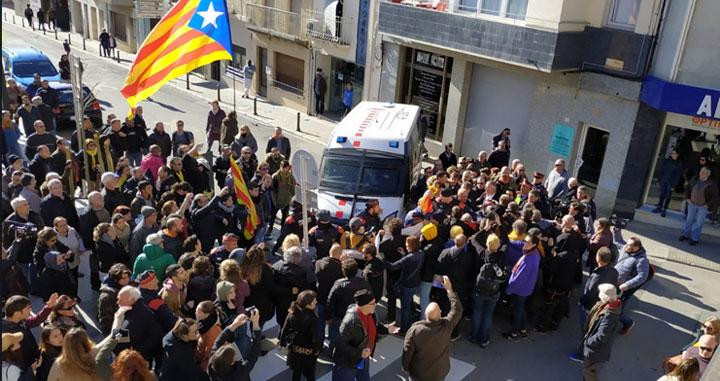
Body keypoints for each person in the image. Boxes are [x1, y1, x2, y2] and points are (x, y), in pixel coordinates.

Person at [402, 276, 462, 381]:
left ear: (426, 315)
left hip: (419, 374)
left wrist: (405, 367)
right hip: (439, 373)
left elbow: (407, 352)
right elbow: (457, 309)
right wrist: (449, 290)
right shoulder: (446, 326)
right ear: (440, 314)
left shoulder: (415, 331)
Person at [2, 293, 59, 369]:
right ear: (18, 313)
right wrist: (29, 371)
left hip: (34, 358)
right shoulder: (5, 334)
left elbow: (35, 320)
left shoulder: (20, 320)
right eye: (28, 308)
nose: (31, 310)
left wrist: (48, 307)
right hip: (27, 368)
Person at [503, 229, 541, 341]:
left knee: (517, 310)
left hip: (520, 289)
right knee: (521, 308)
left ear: (534, 244)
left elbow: (519, 279)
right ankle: (523, 329)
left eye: (528, 242)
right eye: (525, 241)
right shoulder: (535, 252)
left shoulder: (528, 259)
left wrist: (509, 289)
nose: (525, 244)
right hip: (527, 288)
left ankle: (514, 333)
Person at [332, 289, 377, 381]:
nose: (375, 305)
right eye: (372, 303)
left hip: (363, 356)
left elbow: (373, 326)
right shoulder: (350, 321)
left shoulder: (369, 313)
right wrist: (359, 352)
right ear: (364, 305)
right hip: (347, 363)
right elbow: (340, 344)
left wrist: (386, 329)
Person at [580, 283, 622, 380]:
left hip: (595, 350)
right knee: (588, 369)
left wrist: (588, 342)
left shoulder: (610, 316)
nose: (599, 295)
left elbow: (601, 336)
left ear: (606, 296)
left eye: (601, 293)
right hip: (595, 347)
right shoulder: (610, 304)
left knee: (588, 370)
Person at [470, 233, 505, 347]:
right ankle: (484, 340)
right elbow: (507, 240)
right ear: (498, 245)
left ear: (486, 243)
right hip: (494, 291)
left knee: (477, 312)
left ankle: (474, 336)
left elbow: (474, 239)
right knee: (488, 315)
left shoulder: (482, 253)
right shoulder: (502, 255)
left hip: (480, 290)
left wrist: (485, 228)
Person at [384, 235, 424, 335]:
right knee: (409, 306)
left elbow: (393, 266)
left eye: (407, 244)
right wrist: (404, 254)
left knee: (405, 309)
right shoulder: (421, 253)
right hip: (415, 284)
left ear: (412, 245)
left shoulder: (409, 257)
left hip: (406, 286)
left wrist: (382, 260)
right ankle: (409, 324)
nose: (405, 245)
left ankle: (404, 330)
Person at [115, 285, 165, 365]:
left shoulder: (142, 316)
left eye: (121, 300)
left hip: (137, 362)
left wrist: (138, 352)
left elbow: (157, 335)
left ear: (132, 300)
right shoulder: (127, 310)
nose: (118, 302)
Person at [208, 309, 263, 380]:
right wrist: (255, 324)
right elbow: (253, 355)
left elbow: (218, 341)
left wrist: (234, 324)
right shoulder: (239, 374)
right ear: (232, 363)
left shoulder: (211, 364)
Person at [280, 290, 321, 381]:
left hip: (295, 350)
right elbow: (316, 338)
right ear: (307, 304)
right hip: (308, 353)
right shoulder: (312, 318)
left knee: (296, 373)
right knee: (310, 375)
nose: (316, 302)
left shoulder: (292, 313)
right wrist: (316, 350)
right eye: (314, 301)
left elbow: (284, 330)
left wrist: (283, 344)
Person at [614, 234, 650, 335]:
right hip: (615, 283)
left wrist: (627, 284)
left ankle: (628, 323)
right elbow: (617, 241)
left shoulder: (642, 260)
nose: (626, 246)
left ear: (636, 248)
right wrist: (617, 230)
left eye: (629, 245)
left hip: (624, 288)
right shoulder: (626, 249)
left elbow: (642, 276)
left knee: (617, 310)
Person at [579, 248, 618, 330]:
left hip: (591, 306)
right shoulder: (614, 271)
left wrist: (581, 302)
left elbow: (589, 294)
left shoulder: (597, 276)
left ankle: (585, 336)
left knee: (585, 324)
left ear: (598, 258)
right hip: (603, 304)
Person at [680, 167, 718, 246]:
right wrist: (687, 198)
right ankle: (685, 235)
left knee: (699, 223)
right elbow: (687, 188)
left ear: (708, 174)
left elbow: (715, 197)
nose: (702, 173)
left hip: (702, 207)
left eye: (704, 172)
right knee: (689, 220)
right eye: (701, 171)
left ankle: (695, 239)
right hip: (692, 204)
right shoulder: (695, 179)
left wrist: (707, 205)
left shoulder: (711, 184)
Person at [97, 263, 131, 335]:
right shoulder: (106, 297)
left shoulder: (122, 286)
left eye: (128, 277)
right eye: (124, 278)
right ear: (115, 280)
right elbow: (106, 322)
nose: (127, 280)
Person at [653, 150, 684, 217]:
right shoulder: (666, 161)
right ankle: (659, 207)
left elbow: (678, 175)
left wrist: (674, 184)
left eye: (675, 153)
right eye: (672, 153)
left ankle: (664, 209)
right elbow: (662, 170)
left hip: (671, 182)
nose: (673, 155)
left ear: (677, 155)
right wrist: (659, 179)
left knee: (668, 196)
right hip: (664, 180)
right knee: (662, 194)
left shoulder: (679, 164)